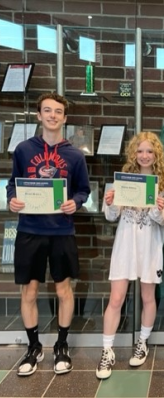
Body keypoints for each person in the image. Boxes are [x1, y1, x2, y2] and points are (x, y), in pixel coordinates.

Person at [6, 93, 91, 376]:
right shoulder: (23, 149)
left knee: (63, 289)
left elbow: (83, 190)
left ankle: (61, 346)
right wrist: (12, 200)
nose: (53, 115)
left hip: (61, 231)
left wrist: (75, 203)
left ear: (64, 118)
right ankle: (33, 347)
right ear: (39, 115)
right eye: (47, 111)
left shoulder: (75, 155)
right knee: (29, 291)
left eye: (58, 112)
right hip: (30, 230)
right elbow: (12, 186)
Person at [96, 132, 164, 380]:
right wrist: (110, 202)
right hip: (125, 246)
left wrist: (158, 209)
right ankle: (107, 349)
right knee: (116, 298)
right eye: (140, 151)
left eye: (150, 151)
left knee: (147, 296)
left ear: (157, 155)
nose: (144, 156)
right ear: (133, 153)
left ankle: (142, 342)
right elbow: (111, 217)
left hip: (150, 247)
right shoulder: (122, 182)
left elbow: (163, 222)